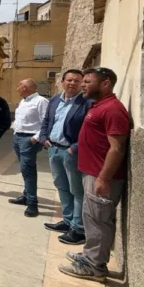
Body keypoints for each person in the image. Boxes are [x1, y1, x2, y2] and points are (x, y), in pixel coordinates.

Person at [59, 67, 129, 283]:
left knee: (99, 220)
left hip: (101, 176)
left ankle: (94, 267)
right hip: (91, 172)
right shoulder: (99, 106)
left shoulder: (113, 110)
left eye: (88, 81)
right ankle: (90, 255)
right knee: (92, 218)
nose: (83, 85)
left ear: (106, 83)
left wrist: (103, 178)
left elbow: (117, 148)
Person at [39, 69, 92, 244]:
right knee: (61, 186)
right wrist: (44, 137)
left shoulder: (87, 103)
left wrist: (74, 148)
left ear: (82, 83)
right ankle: (68, 220)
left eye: (77, 81)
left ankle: (78, 228)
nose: (73, 83)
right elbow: (47, 120)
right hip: (53, 149)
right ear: (62, 82)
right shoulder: (55, 99)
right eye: (69, 80)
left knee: (76, 189)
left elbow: (88, 130)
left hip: (71, 152)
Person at [9, 79, 49, 217]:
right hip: (18, 137)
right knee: (24, 168)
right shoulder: (24, 101)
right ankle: (26, 196)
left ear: (25, 88)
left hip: (29, 139)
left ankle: (32, 203)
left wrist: (35, 139)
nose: (17, 89)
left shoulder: (41, 101)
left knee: (28, 170)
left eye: (19, 86)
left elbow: (47, 122)